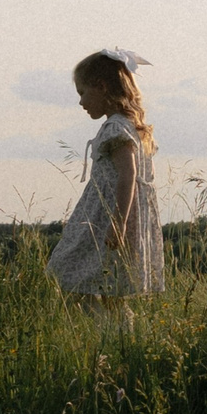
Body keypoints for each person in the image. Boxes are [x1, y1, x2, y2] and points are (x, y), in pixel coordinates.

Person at [47, 47, 165, 309]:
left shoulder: (116, 127)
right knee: (109, 285)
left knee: (69, 270)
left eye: (83, 93)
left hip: (109, 216)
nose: (81, 102)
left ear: (101, 87)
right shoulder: (128, 126)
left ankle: (102, 327)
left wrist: (118, 223)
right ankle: (114, 328)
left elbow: (128, 175)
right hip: (115, 214)